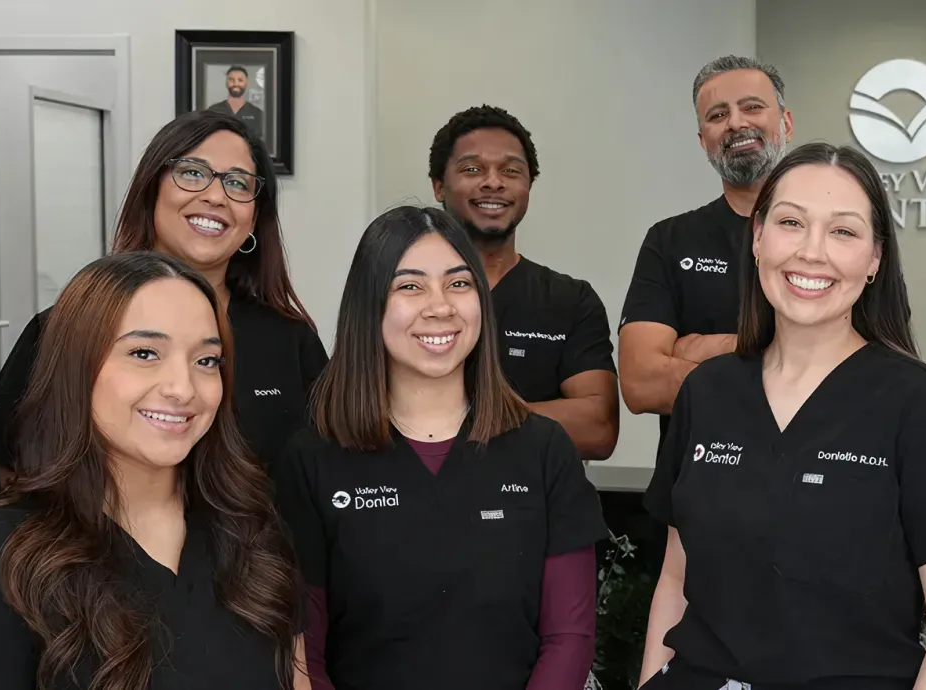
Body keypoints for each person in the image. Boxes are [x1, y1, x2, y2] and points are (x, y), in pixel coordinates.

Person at [639, 143, 926, 689]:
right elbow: (676, 577)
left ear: (876, 258)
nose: (812, 252)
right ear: (758, 238)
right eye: (791, 222)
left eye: (843, 231)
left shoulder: (923, 404)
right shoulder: (707, 392)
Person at [0, 251, 305, 689]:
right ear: (77, 368)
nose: (183, 388)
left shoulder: (249, 530)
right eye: (145, 353)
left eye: (206, 361)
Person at [277, 206, 607, 690]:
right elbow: (304, 653)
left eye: (459, 283)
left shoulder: (542, 450)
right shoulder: (312, 460)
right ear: (370, 306)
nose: (441, 306)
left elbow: (569, 636)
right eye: (410, 286)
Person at [0, 110, 323, 480]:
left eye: (238, 183)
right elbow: (8, 471)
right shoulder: (64, 328)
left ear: (254, 219)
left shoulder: (290, 340)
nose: (215, 196)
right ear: (152, 190)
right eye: (192, 172)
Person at [619, 55, 795, 443]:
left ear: (786, 123)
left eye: (752, 107)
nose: (736, 123)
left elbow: (860, 370)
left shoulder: (836, 235)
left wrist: (697, 348)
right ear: (704, 141)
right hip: (693, 485)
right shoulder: (669, 240)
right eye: (717, 115)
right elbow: (641, 383)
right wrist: (780, 351)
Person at [429, 104, 619, 460]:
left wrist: (460, 419)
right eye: (472, 169)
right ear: (439, 185)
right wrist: (538, 416)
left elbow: (598, 429)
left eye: (511, 171)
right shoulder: (403, 293)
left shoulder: (569, 300)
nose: (493, 182)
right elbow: (371, 412)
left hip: (532, 508)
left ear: (528, 185)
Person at [205, 65, 269, 142]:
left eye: (240, 80)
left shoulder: (257, 114)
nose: (235, 84)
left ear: (246, 83)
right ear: (226, 83)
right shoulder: (213, 111)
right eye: (231, 80)